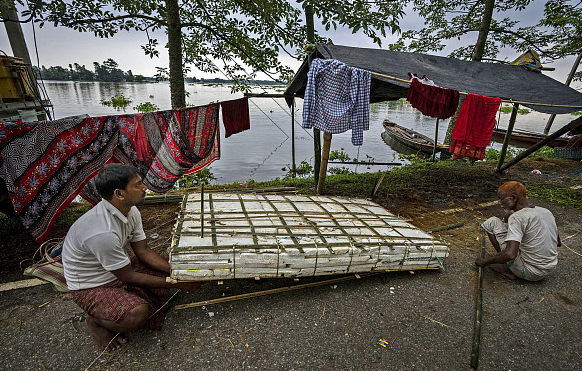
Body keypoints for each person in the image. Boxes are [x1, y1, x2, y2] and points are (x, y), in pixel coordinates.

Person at [62, 164, 201, 351]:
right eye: (137, 185)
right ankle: (95, 322)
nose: (144, 188)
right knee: (137, 314)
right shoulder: (102, 232)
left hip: (118, 270)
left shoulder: (131, 210)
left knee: (174, 260)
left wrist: (176, 271)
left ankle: (158, 281)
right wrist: (176, 282)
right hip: (92, 286)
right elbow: (128, 277)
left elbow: (143, 252)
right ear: (119, 194)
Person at [476, 181, 561, 281]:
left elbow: (510, 254)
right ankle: (510, 263)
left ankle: (507, 268)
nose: (499, 202)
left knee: (491, 222)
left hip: (530, 272)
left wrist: (486, 262)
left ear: (514, 198)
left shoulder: (517, 217)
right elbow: (558, 243)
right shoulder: (545, 211)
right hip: (550, 268)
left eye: (501, 198)